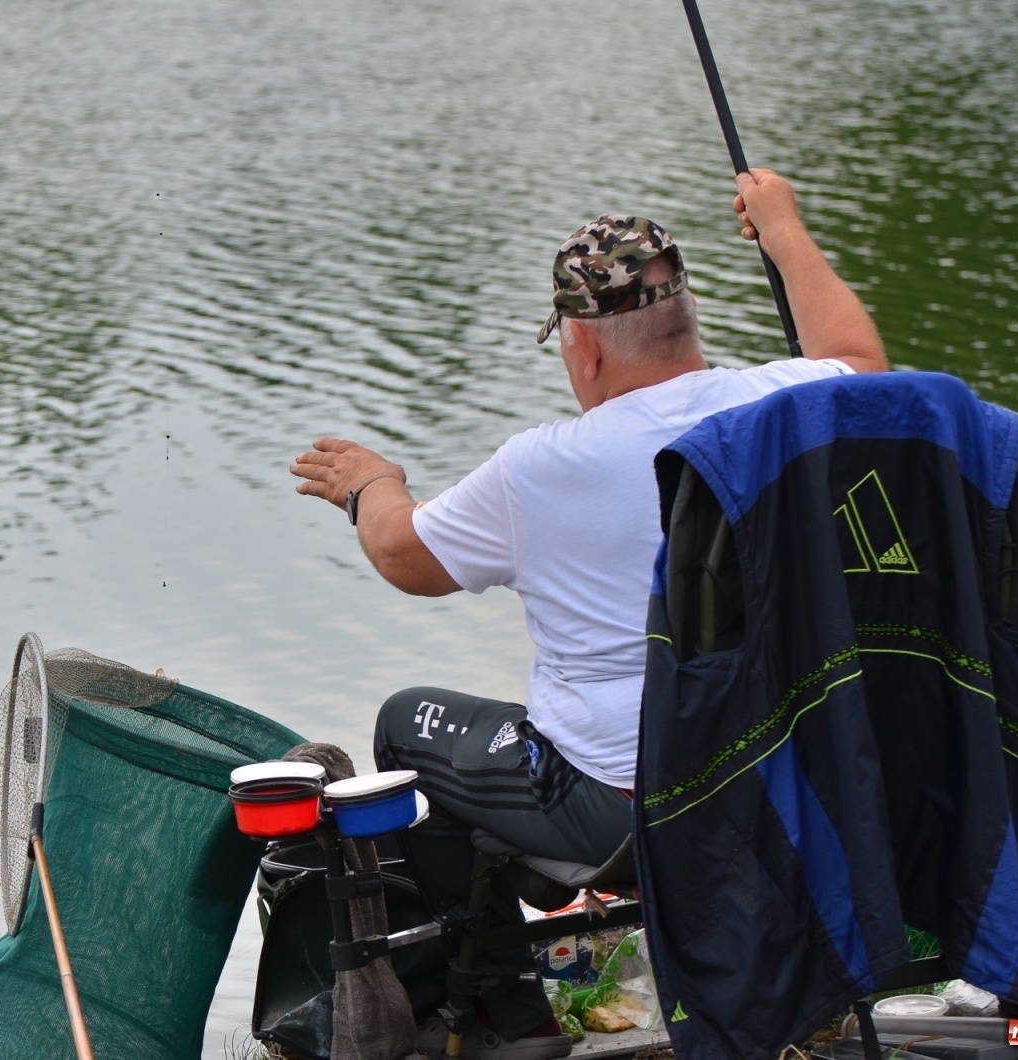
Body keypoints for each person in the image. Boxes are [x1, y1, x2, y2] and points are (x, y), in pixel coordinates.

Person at [289, 169, 887, 1060]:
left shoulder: (542, 468)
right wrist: (784, 230)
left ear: (585, 347)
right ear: (685, 322)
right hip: (794, 779)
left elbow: (405, 557)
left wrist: (373, 483)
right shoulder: (790, 403)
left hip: (631, 806)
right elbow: (864, 361)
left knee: (408, 724)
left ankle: (500, 1014)